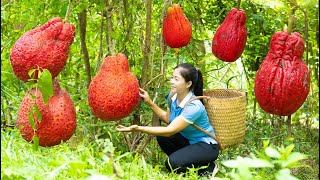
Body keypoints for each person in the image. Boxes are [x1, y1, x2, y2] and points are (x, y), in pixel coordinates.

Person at [116, 63, 219, 176]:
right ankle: (189, 162)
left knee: (172, 163)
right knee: (162, 137)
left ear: (188, 84)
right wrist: (150, 102)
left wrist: (138, 128)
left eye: (176, 79)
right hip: (189, 142)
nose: (172, 81)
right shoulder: (172, 96)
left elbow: (171, 130)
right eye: (172, 77)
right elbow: (168, 119)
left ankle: (207, 168)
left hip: (206, 146)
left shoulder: (194, 106)